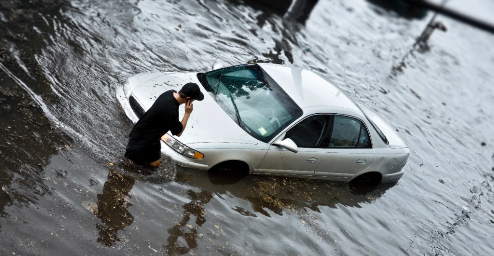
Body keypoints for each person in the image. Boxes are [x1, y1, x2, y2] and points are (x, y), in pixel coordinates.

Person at [124, 82, 204, 168]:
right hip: (143, 141)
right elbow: (178, 133)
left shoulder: (169, 93)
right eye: (194, 99)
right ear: (188, 99)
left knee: (155, 164)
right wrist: (187, 113)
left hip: (149, 136)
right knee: (131, 166)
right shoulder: (171, 109)